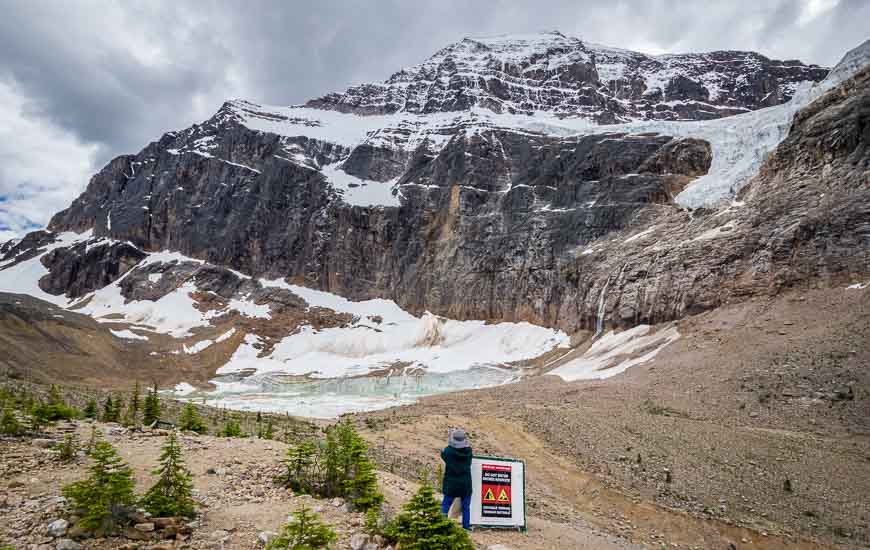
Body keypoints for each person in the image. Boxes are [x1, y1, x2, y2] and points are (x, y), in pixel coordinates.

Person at [441, 427, 473, 530]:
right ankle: (466, 527)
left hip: (451, 484)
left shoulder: (448, 452)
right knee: (466, 507)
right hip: (465, 484)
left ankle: (441, 525)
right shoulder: (468, 451)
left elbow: (443, 452)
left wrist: (450, 436)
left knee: (445, 505)